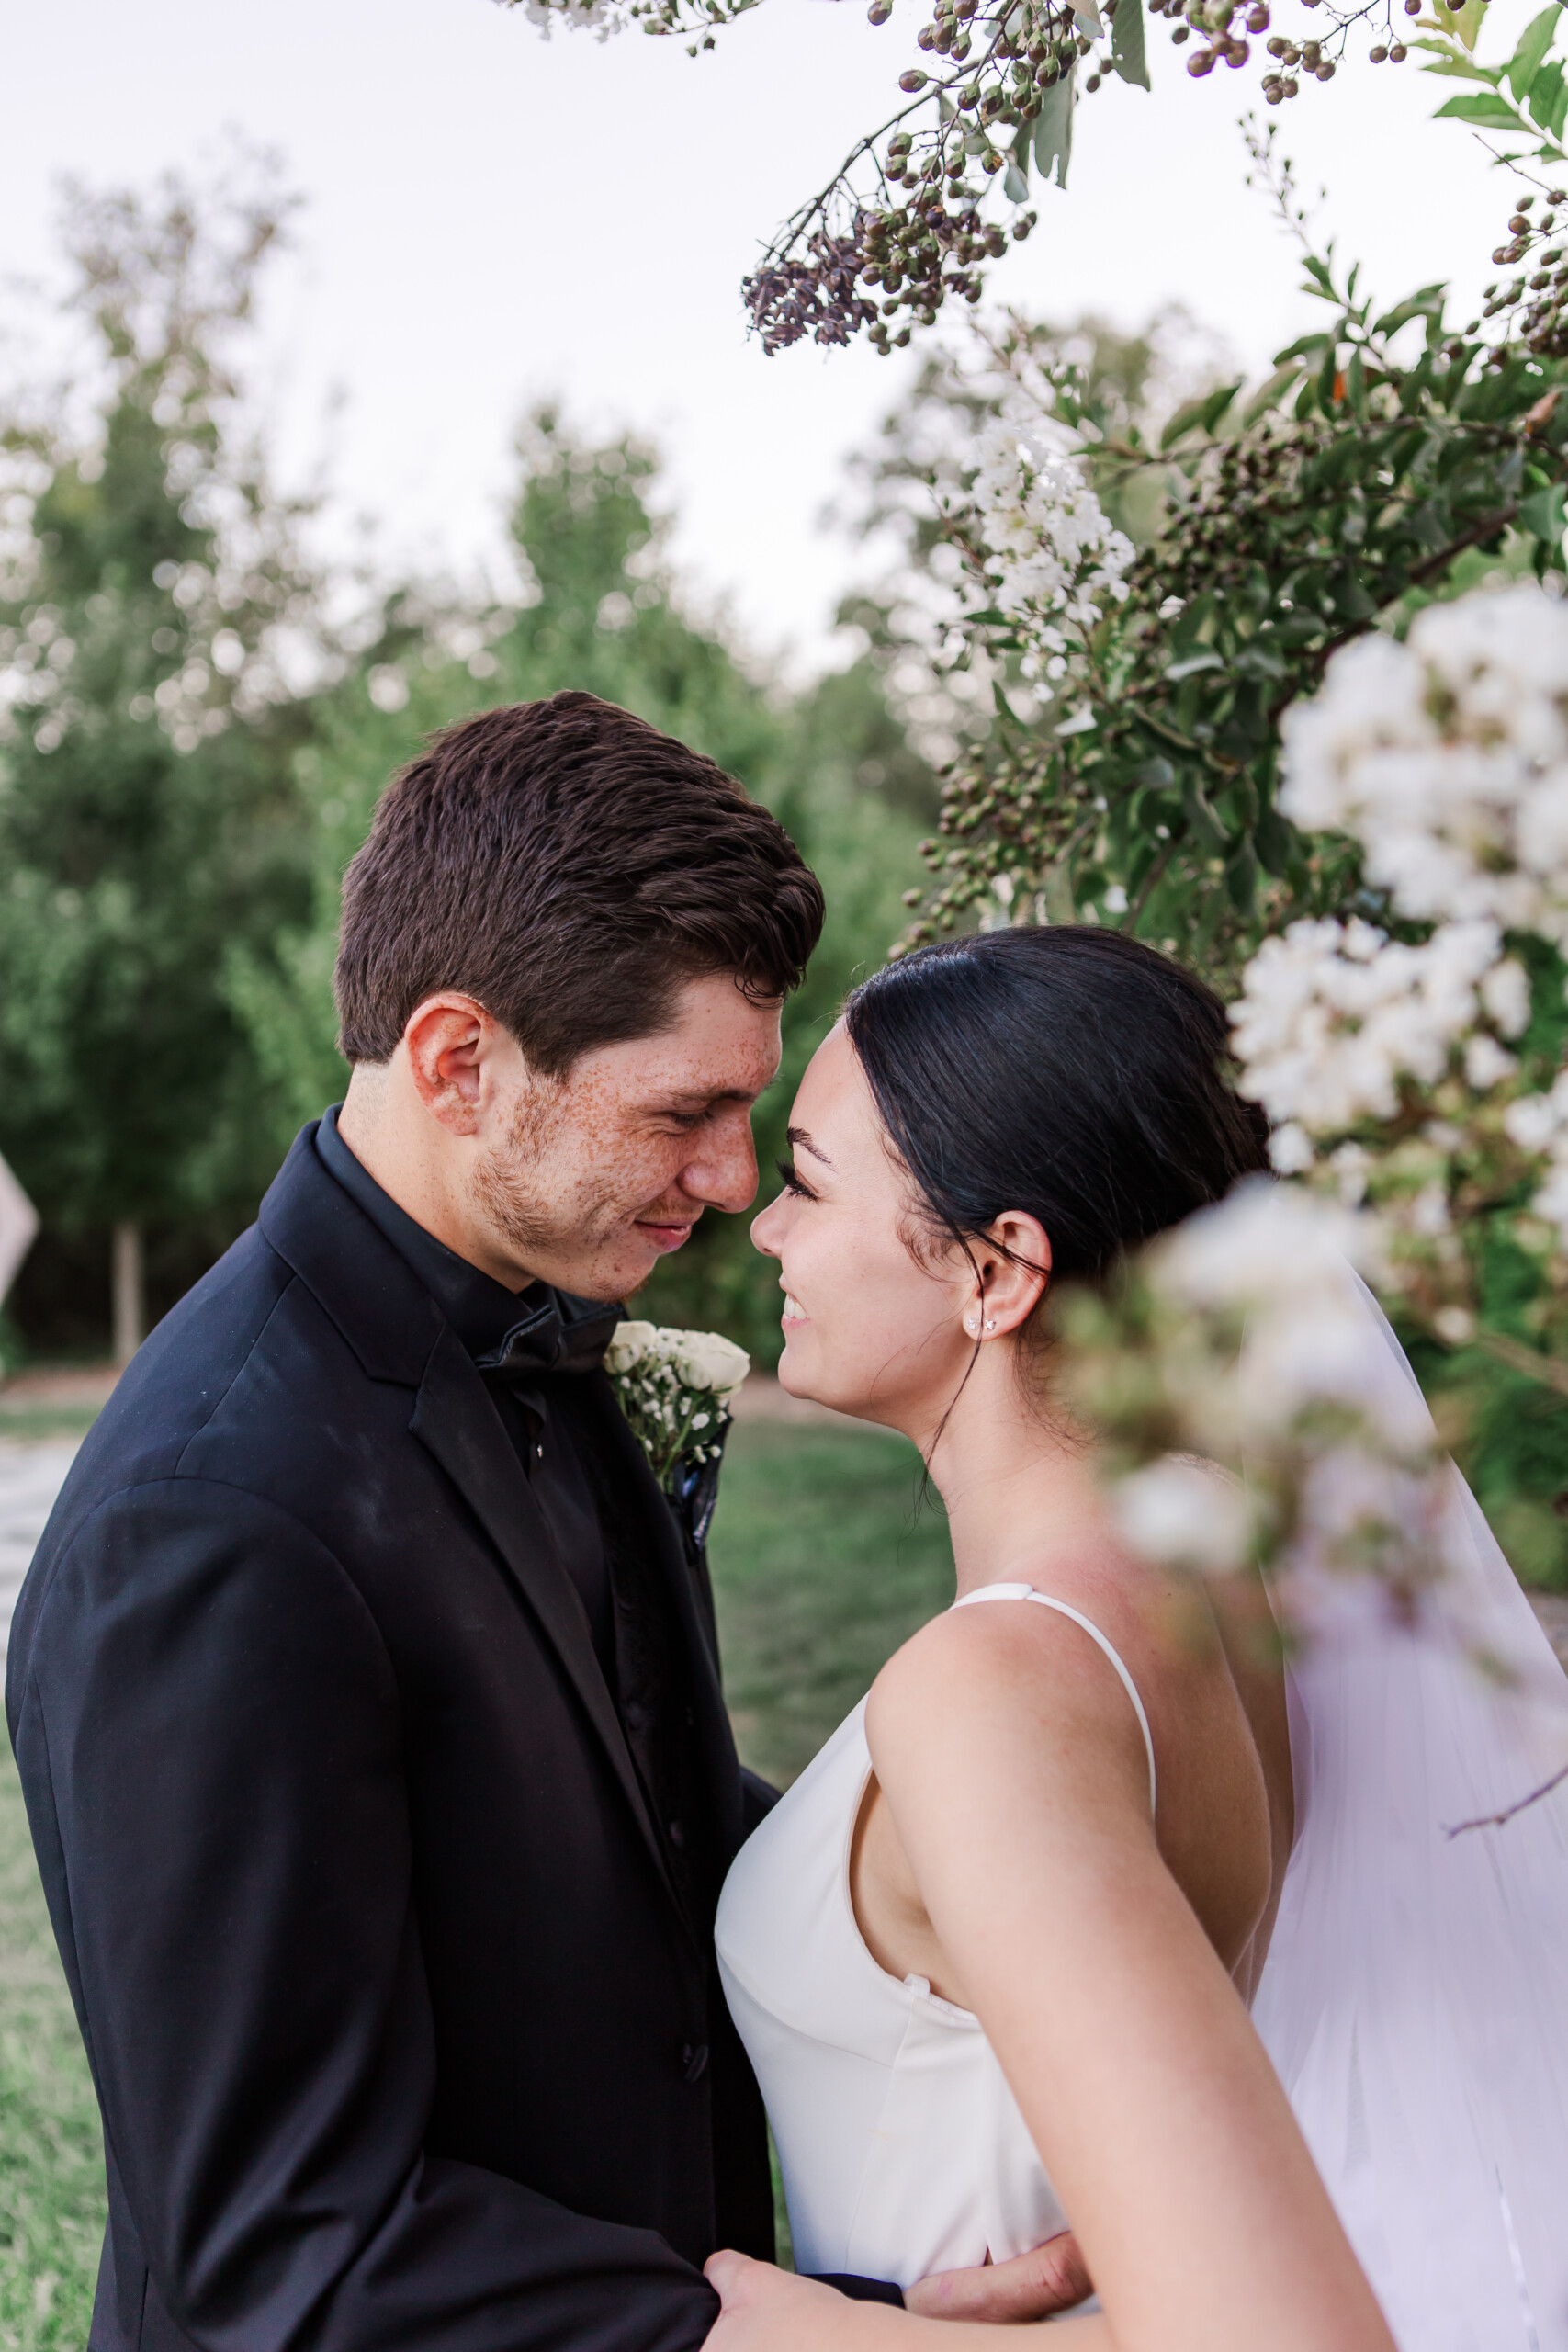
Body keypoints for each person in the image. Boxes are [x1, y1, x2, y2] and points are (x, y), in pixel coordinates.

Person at [8, 692, 841, 2352]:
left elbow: (633, 1828)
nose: (738, 1179)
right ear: (461, 1061)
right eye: (684, 1112)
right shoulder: (211, 1521)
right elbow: (288, 2244)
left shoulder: (545, 1306)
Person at [708, 924, 1568, 2352]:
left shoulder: (999, 1689)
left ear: (999, 1272)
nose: (767, 1227)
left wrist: (789, 2334)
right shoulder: (1233, 1572)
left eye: (807, 1181)